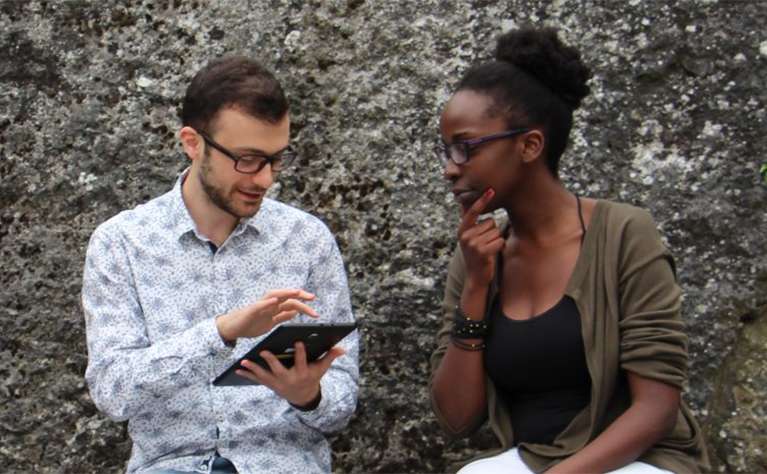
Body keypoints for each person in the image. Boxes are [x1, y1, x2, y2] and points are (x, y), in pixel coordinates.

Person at [429, 27, 709, 473]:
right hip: (534, 460)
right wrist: (476, 290)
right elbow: (457, 418)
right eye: (445, 150)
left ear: (530, 145)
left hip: (639, 461)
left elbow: (656, 408)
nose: (449, 169)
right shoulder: (477, 255)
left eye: (465, 147)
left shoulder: (623, 234)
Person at [82, 56, 359, 474]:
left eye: (275, 159)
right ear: (193, 142)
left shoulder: (306, 241)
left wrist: (309, 395)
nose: (264, 179)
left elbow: (342, 404)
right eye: (247, 159)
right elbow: (113, 390)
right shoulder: (121, 243)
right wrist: (222, 332)